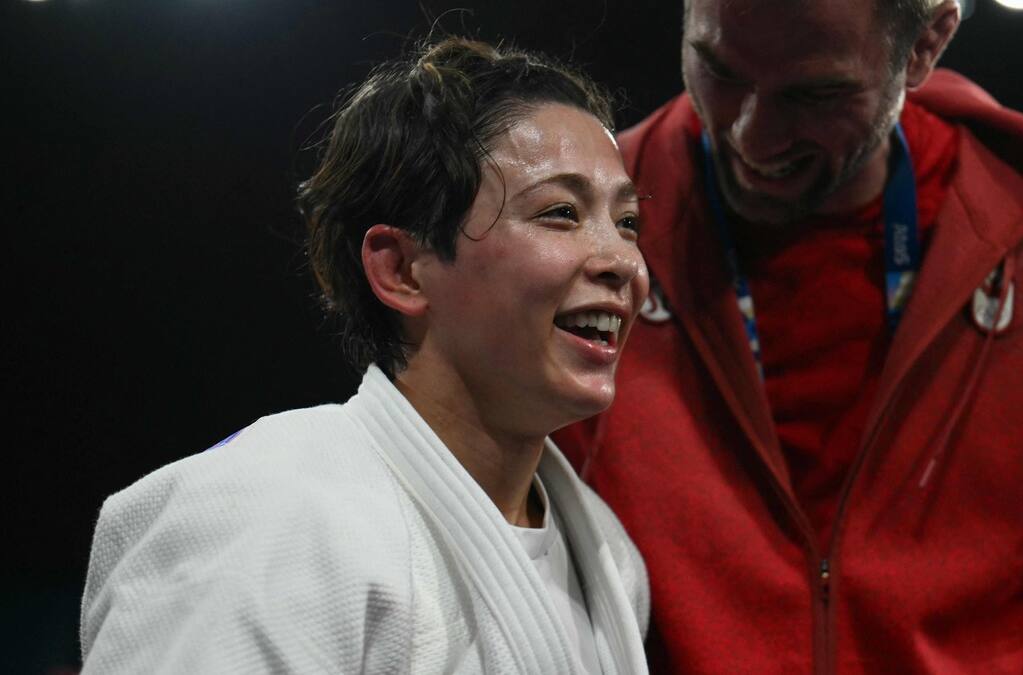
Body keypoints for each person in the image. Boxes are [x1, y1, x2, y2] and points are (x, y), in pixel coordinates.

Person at [554, 0, 1023, 671]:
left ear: (926, 42)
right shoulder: (571, 252)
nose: (751, 133)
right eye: (717, 69)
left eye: (815, 93)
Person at [79, 37, 651, 674]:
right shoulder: (270, 520)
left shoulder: (609, 560)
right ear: (402, 269)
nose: (624, 262)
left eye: (627, 222)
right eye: (561, 213)